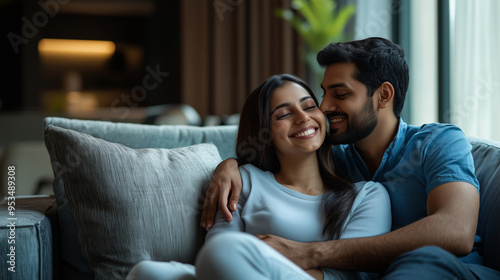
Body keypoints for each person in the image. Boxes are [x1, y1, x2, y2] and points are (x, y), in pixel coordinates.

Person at [201, 37, 500, 279]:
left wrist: (309, 252)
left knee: (418, 263)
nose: (325, 106)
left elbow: (457, 232)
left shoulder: (439, 142)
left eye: (340, 95)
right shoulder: (335, 155)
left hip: (447, 269)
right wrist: (230, 166)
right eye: (324, 93)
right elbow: (277, 150)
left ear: (383, 96)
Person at [127, 74, 391, 280]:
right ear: (264, 132)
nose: (303, 118)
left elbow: (355, 273)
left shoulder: (367, 195)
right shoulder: (243, 181)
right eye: (284, 115)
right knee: (148, 273)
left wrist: (259, 261)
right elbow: (214, 258)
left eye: (309, 107)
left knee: (226, 252)